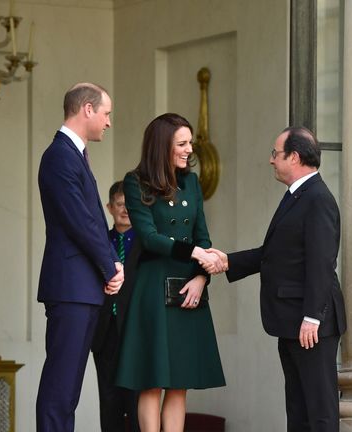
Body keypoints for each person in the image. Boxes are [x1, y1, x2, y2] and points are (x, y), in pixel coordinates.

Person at [210, 126, 346, 432]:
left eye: (276, 153)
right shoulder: (297, 196)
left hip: (311, 324)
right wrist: (227, 261)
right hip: (293, 321)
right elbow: (274, 254)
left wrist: (312, 316)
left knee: (319, 411)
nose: (272, 160)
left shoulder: (317, 199)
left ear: (293, 157)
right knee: (298, 410)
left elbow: (321, 262)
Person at [115, 113, 226, 432]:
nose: (189, 149)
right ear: (162, 145)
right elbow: (149, 237)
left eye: (190, 143)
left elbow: (203, 236)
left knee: (179, 382)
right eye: (182, 143)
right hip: (153, 287)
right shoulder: (136, 182)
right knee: (152, 380)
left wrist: (201, 279)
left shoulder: (192, 182)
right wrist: (193, 253)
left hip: (189, 287)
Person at [37, 82, 124, 432]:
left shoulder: (73, 155)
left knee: (68, 389)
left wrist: (110, 264)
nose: (109, 122)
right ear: (87, 109)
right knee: (60, 387)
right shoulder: (59, 156)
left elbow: (91, 221)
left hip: (83, 288)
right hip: (71, 287)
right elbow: (80, 221)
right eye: (106, 113)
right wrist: (111, 266)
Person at [91, 181, 140, 432]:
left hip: (136, 332)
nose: (125, 210)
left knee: (136, 403)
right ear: (110, 207)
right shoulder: (100, 243)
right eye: (120, 204)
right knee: (109, 403)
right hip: (105, 332)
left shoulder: (146, 243)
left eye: (130, 205)